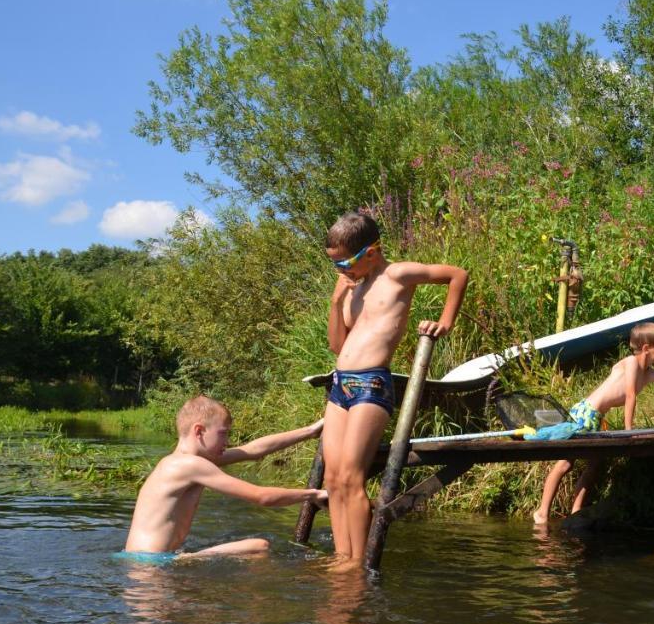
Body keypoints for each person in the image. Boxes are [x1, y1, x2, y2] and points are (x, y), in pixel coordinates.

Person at [323, 208, 468, 571]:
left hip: (371, 383)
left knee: (353, 477)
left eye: (345, 264)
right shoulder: (354, 292)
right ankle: (342, 556)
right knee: (333, 478)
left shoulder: (397, 274)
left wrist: (445, 322)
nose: (342, 272)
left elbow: (456, 275)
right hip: (341, 384)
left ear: (371, 252)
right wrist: (337, 301)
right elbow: (338, 346)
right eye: (336, 266)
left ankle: (356, 564)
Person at [532, 322, 654, 526]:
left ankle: (576, 511)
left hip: (596, 417)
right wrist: (628, 431)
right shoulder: (631, 363)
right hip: (585, 413)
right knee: (566, 463)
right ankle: (542, 512)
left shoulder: (649, 373)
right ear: (647, 349)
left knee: (595, 464)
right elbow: (630, 394)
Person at [119, 395, 325, 562]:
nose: (228, 441)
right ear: (199, 431)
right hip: (152, 563)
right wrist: (314, 494)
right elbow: (261, 496)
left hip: (140, 561)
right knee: (259, 547)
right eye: (223, 434)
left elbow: (252, 450)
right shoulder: (190, 465)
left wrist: (310, 431)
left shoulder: (181, 462)